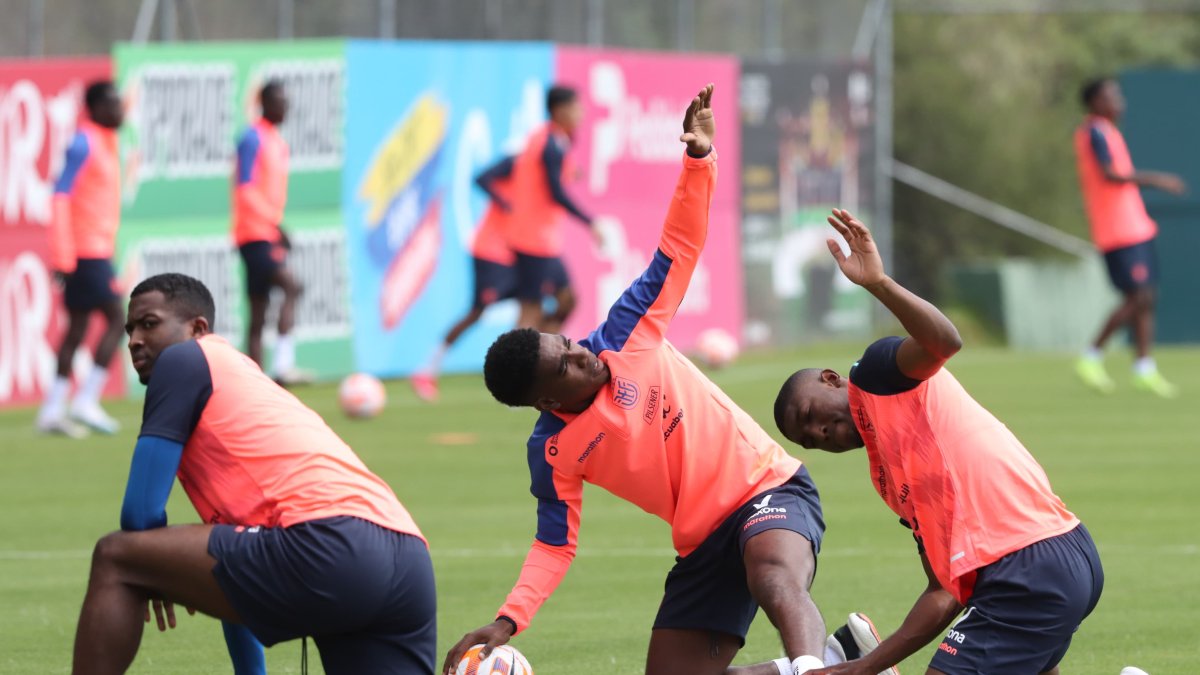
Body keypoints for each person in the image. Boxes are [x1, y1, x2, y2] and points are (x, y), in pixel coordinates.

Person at [445, 85, 831, 675]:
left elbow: (678, 246)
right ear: (547, 400)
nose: (583, 354)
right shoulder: (551, 452)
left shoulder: (625, 331)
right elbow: (554, 544)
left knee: (772, 575)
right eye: (567, 365)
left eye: (568, 342)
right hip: (702, 541)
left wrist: (699, 161)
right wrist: (507, 620)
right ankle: (843, 661)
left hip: (768, 490)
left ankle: (812, 667)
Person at [774, 210, 1104, 675]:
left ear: (830, 380)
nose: (820, 433)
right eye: (810, 440)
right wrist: (865, 666)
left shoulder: (875, 375)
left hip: (1029, 565)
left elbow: (944, 342)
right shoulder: (890, 478)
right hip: (1048, 563)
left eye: (811, 416)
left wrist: (878, 284)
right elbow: (942, 592)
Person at [72, 273, 435, 675]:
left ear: (197, 329)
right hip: (408, 557)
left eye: (150, 323)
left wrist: (151, 564)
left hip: (330, 546)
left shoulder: (185, 359)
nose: (135, 340)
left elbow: (139, 515)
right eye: (130, 329)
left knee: (115, 557)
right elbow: (235, 558)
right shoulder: (245, 382)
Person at [1073, 77, 1186, 398]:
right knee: (1136, 297)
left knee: (1147, 297)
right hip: (1117, 231)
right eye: (1111, 96)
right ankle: (1090, 357)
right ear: (1095, 102)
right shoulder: (1093, 131)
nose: (1119, 101)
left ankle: (1143, 368)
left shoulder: (1109, 131)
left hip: (1136, 226)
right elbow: (1109, 175)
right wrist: (1157, 179)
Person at [37, 80, 126, 437]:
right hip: (84, 252)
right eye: (113, 104)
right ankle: (86, 399)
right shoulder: (83, 142)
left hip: (96, 249)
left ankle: (52, 409)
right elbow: (60, 197)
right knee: (119, 319)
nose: (120, 110)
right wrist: (63, 256)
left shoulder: (107, 142)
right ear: (96, 107)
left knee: (76, 330)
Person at [411, 156, 520, 402]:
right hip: (492, 252)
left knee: (542, 298)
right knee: (477, 312)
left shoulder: (550, 164)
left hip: (518, 252)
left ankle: (530, 374)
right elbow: (480, 178)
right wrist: (505, 203)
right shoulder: (522, 160)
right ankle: (427, 369)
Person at [502, 84, 602, 333]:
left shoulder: (553, 138)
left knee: (567, 299)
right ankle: (509, 368)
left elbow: (549, 173)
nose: (581, 113)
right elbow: (555, 192)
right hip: (531, 239)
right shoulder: (549, 143)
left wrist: (571, 171)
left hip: (542, 240)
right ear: (559, 110)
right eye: (576, 107)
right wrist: (592, 223)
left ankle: (540, 356)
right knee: (530, 310)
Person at [233, 80, 306, 385]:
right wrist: (274, 224)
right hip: (254, 233)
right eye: (279, 101)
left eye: (287, 101)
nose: (285, 106)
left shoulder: (276, 140)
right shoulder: (252, 138)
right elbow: (245, 187)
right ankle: (283, 365)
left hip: (265, 230)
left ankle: (254, 380)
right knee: (291, 286)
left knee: (259, 309)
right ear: (264, 103)